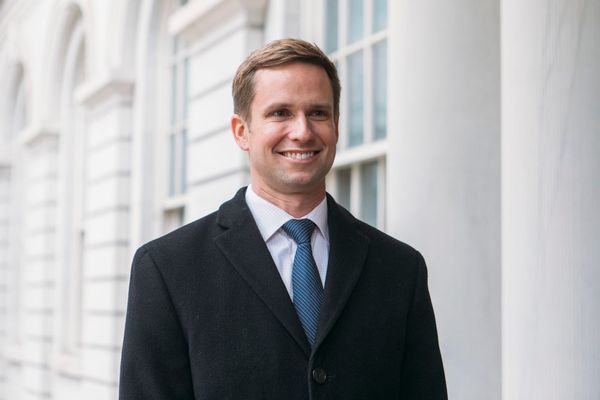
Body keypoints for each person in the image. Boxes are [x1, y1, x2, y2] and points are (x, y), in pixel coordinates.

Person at [119, 38, 447, 400]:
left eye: (318, 113)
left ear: (336, 126)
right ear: (242, 131)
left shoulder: (401, 269)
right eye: (280, 113)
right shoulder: (167, 269)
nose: (303, 131)